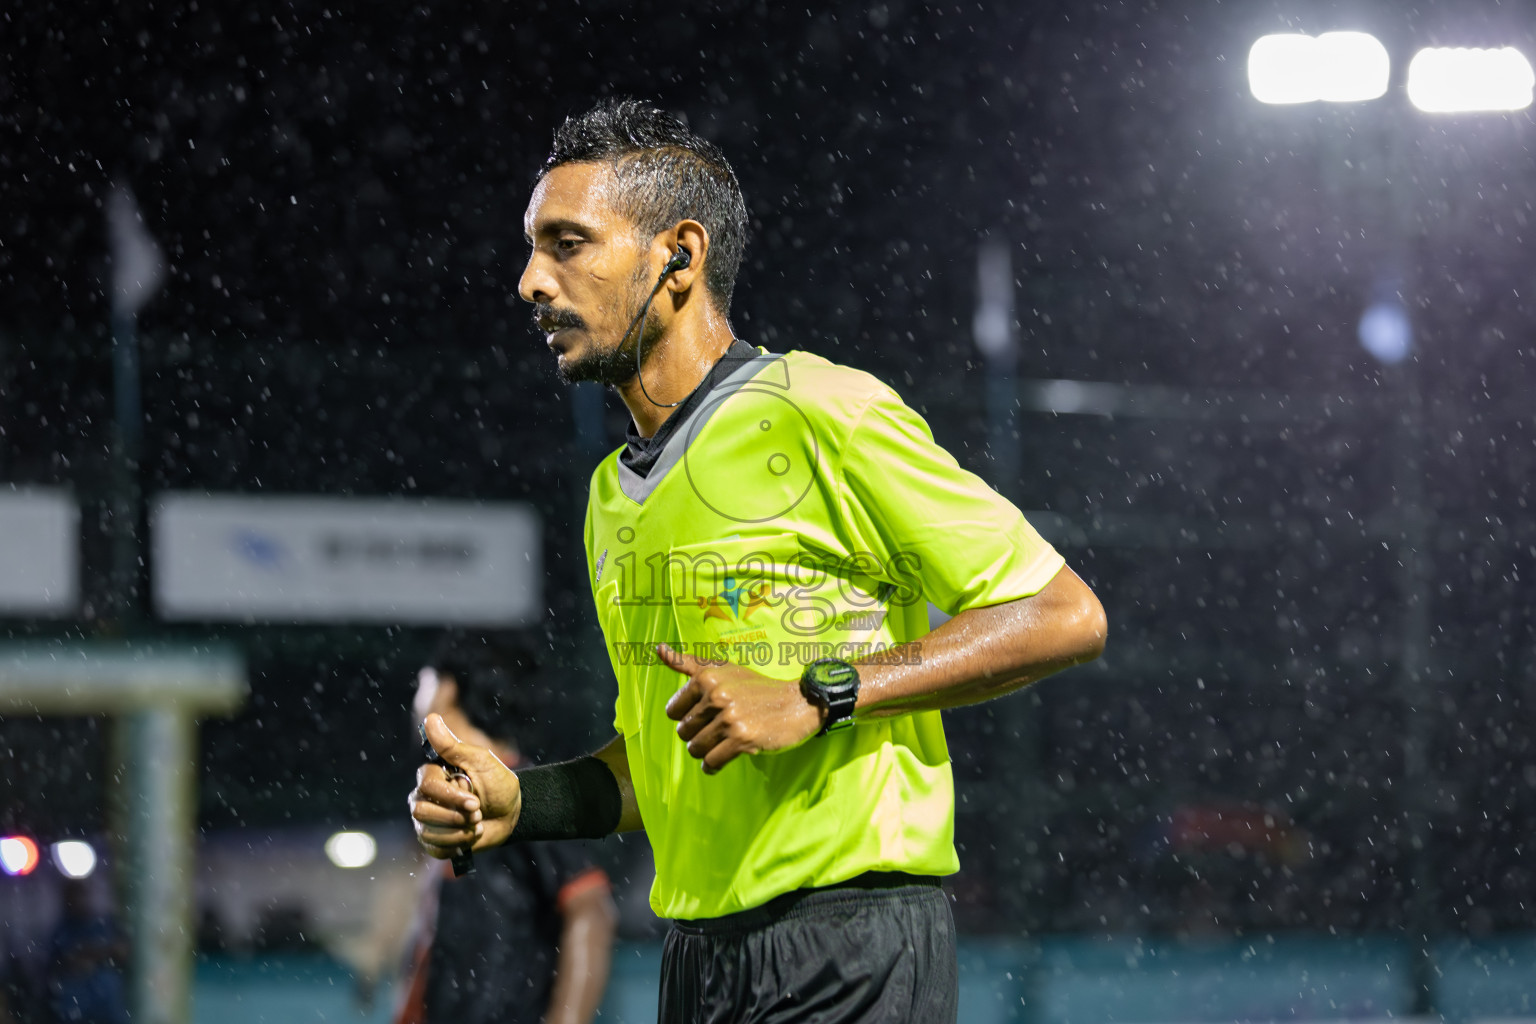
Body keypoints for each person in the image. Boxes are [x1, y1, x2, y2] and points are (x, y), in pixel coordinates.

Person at [409, 98, 1107, 1023]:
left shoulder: (821, 408)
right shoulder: (611, 495)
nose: (531, 281)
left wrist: (821, 693)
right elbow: (659, 764)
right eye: (533, 250)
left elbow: (1063, 614)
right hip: (697, 959)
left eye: (567, 244)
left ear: (679, 256)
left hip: (850, 939)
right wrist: (521, 803)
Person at [397, 636, 616, 1024]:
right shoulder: (468, 795)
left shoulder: (525, 794)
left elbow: (591, 908)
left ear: (447, 690)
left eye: (425, 681)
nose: (417, 697)